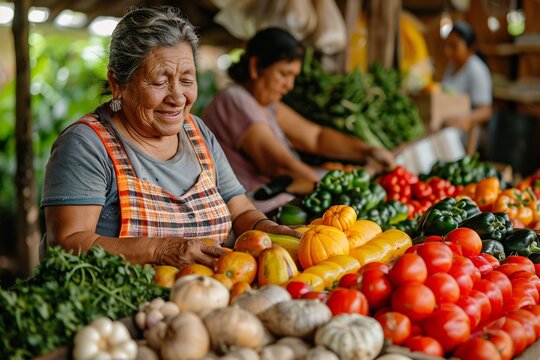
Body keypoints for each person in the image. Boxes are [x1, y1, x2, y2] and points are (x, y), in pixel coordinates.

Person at [40, 6, 301, 270]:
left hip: (211, 295)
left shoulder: (196, 132)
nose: (177, 98)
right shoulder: (86, 144)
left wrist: (272, 231)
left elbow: (242, 212)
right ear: (117, 83)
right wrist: (161, 249)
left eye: (187, 80)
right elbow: (67, 244)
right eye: (159, 82)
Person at [203, 27, 395, 194]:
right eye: (284, 74)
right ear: (255, 67)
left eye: (293, 76)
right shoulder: (234, 100)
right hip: (255, 212)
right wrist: (335, 190)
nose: (289, 85)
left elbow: (316, 138)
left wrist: (368, 151)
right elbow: (280, 166)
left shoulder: (265, 104)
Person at [441, 21, 493, 154]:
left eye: (454, 47)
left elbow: (486, 111)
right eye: (447, 46)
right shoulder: (451, 67)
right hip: (446, 133)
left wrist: (463, 119)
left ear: (470, 48)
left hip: (465, 140)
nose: (448, 51)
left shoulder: (477, 70)